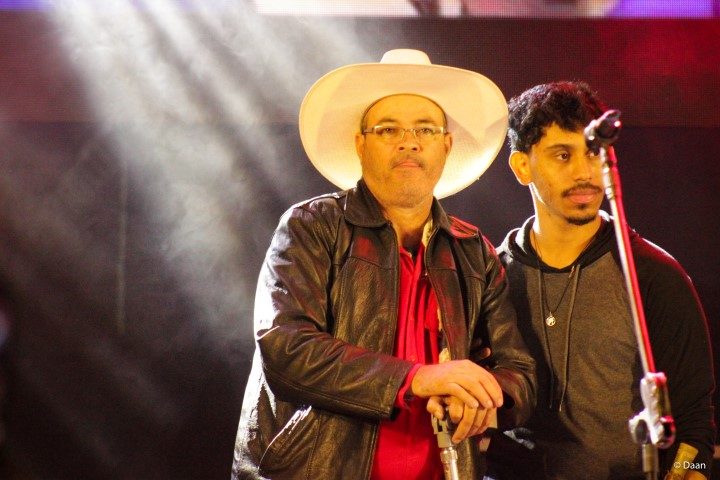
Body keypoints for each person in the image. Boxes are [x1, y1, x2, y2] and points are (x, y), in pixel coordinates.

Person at [231, 49, 536, 480]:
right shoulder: (311, 226)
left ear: (446, 145)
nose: (408, 141)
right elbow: (286, 347)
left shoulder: (473, 252)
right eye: (388, 129)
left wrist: (488, 398)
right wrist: (417, 379)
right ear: (361, 145)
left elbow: (519, 374)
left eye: (425, 129)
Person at [492, 81, 715, 479]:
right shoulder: (491, 276)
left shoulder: (653, 274)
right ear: (522, 166)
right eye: (563, 155)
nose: (584, 172)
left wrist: (689, 472)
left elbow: (697, 429)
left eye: (594, 153)